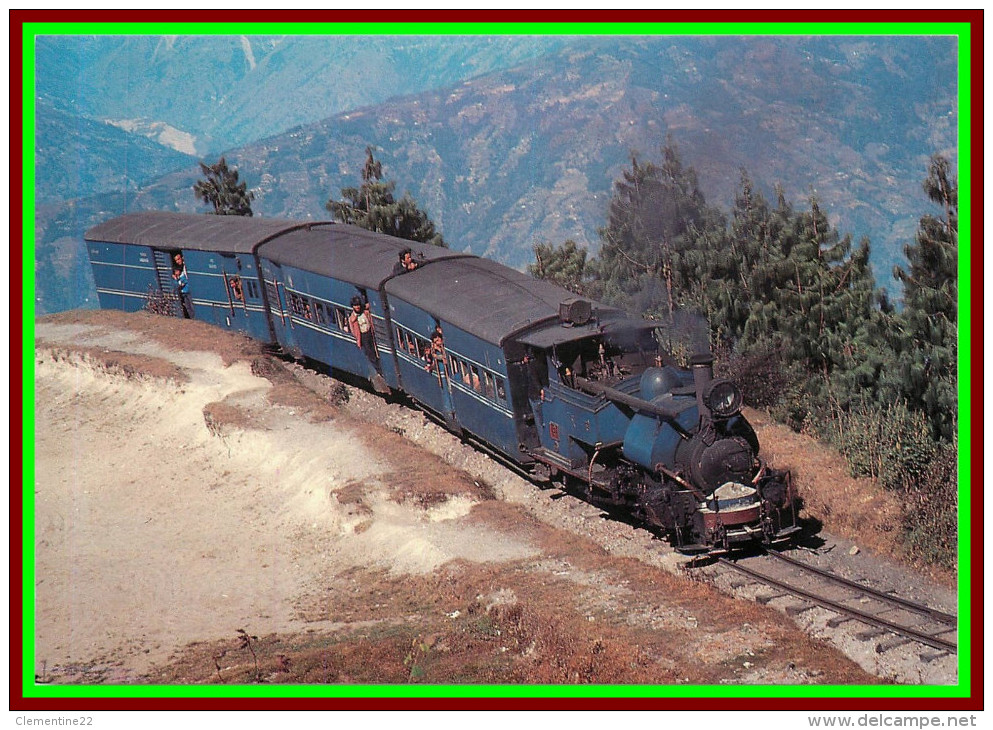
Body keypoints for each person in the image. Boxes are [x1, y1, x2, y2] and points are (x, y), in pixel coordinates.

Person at [348, 295, 389, 393]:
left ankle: (379, 366)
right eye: (355, 305)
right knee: (370, 353)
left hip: (370, 333)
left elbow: (368, 306)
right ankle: (379, 369)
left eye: (358, 305)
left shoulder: (365, 312)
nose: (357, 307)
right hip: (363, 336)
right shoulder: (352, 318)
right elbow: (353, 329)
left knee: (374, 350)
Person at [524, 349, 548, 427]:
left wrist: (540, 390)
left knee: (539, 422)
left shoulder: (533, 365)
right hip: (545, 392)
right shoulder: (546, 364)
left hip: (536, 395)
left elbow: (534, 378)